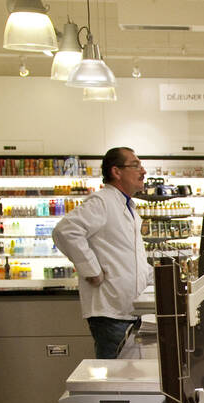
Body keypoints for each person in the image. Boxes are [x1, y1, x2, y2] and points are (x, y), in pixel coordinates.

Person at [52, 146, 148, 359]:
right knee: (116, 381)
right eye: (135, 165)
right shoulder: (102, 201)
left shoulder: (127, 206)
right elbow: (65, 231)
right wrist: (92, 270)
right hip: (110, 313)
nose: (143, 171)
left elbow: (130, 257)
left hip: (127, 311)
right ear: (116, 172)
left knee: (127, 378)